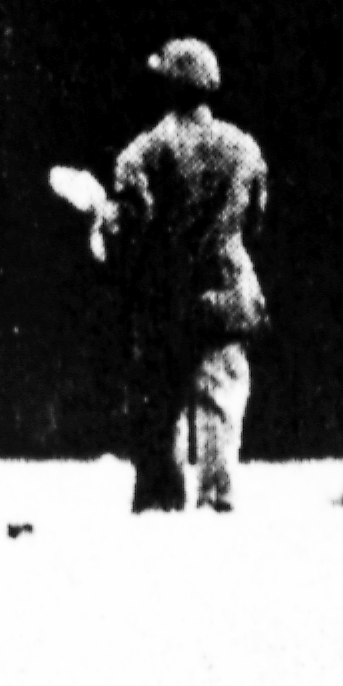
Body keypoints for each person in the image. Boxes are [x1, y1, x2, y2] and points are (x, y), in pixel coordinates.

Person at [106, 37, 269, 513]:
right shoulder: (245, 149)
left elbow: (130, 226)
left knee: (158, 405)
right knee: (220, 402)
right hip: (227, 292)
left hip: (166, 296)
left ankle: (161, 503)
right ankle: (218, 499)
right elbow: (255, 222)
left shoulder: (142, 153)